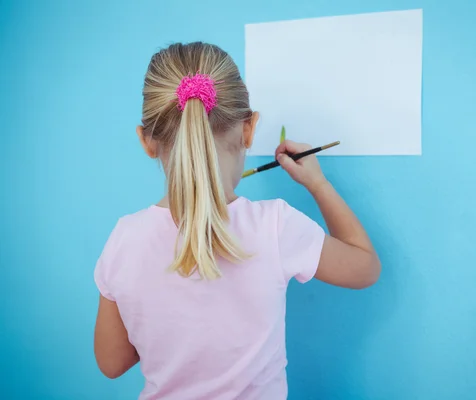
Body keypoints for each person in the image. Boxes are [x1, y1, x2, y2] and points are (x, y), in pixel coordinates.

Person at [93, 41, 380, 400]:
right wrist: (318, 184)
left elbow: (111, 362)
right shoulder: (275, 226)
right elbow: (365, 267)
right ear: (249, 128)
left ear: (147, 142)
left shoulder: (126, 238)